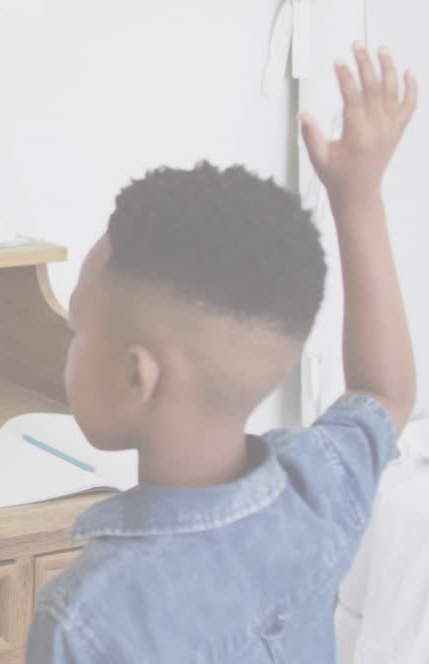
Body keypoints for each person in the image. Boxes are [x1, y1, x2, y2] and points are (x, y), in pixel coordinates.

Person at [26, 44, 417, 662]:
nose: (68, 349)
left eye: (78, 331)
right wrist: (358, 197)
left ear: (136, 375)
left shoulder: (87, 615)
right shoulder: (316, 488)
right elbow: (384, 392)